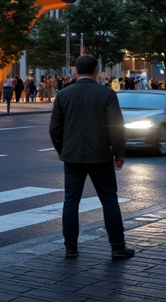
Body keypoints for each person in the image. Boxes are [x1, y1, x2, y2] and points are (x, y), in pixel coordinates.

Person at [49, 54, 133, 260]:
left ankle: (71, 247)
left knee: (71, 201)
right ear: (96, 70)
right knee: (109, 201)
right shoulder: (106, 94)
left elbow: (55, 130)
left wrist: (64, 151)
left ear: (76, 70)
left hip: (73, 156)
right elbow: (116, 128)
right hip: (100, 155)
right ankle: (117, 246)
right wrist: (119, 153)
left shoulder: (63, 95)